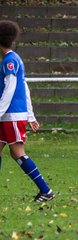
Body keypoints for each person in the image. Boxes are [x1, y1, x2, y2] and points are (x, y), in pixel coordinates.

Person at [0, 20, 55, 202]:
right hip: (7, 115)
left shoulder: (10, 61)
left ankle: (46, 190)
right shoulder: (14, 59)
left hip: (11, 115)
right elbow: (24, 87)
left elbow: (11, 89)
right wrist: (30, 114)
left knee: (17, 152)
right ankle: (45, 190)